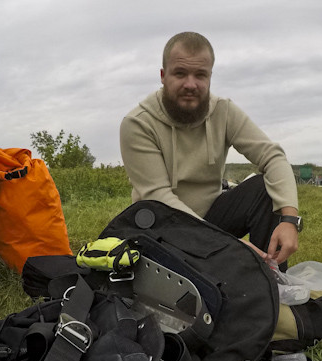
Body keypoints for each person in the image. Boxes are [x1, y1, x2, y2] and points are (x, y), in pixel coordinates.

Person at [119, 32, 301, 266]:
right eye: (180, 73)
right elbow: (158, 196)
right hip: (162, 228)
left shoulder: (223, 112)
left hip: (211, 219)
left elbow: (273, 157)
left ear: (210, 77)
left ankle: (272, 282)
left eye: (200, 75)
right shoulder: (138, 123)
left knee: (264, 189)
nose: (190, 84)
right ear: (163, 76)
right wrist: (227, 243)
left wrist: (289, 218)